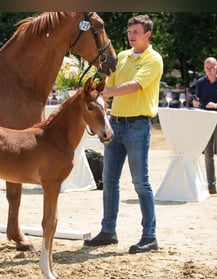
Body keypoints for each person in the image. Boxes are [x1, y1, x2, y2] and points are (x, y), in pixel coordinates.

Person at [83, 14, 163, 253]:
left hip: (138, 125)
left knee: (141, 182)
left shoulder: (154, 59)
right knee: (109, 181)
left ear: (147, 34)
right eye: (130, 32)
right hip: (115, 124)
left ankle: (149, 236)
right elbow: (108, 82)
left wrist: (104, 95)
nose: (131, 35)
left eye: (136, 32)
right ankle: (108, 231)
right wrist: (91, 89)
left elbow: (135, 86)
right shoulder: (124, 57)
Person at [192, 57, 217, 197]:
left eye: (212, 68)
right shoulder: (201, 83)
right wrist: (195, 103)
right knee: (208, 154)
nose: (209, 70)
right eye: (207, 68)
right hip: (205, 121)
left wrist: (216, 106)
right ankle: (211, 185)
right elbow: (197, 100)